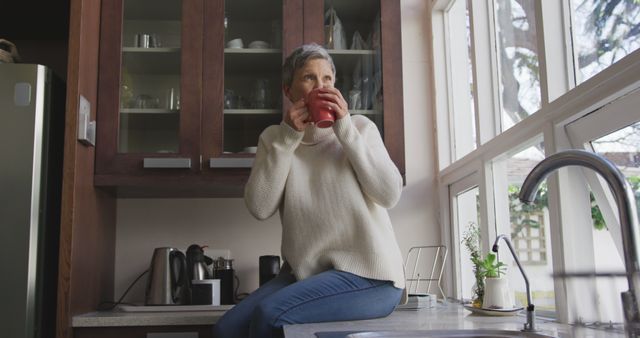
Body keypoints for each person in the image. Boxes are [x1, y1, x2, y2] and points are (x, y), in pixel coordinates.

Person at [214, 43, 406, 338]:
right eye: (309, 78)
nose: (321, 86)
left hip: (370, 276)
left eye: (327, 79)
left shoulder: (360, 128)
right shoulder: (275, 138)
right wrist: (289, 138)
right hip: (304, 276)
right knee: (227, 330)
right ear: (288, 90)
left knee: (269, 314)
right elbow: (260, 207)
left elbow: (389, 194)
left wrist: (345, 131)